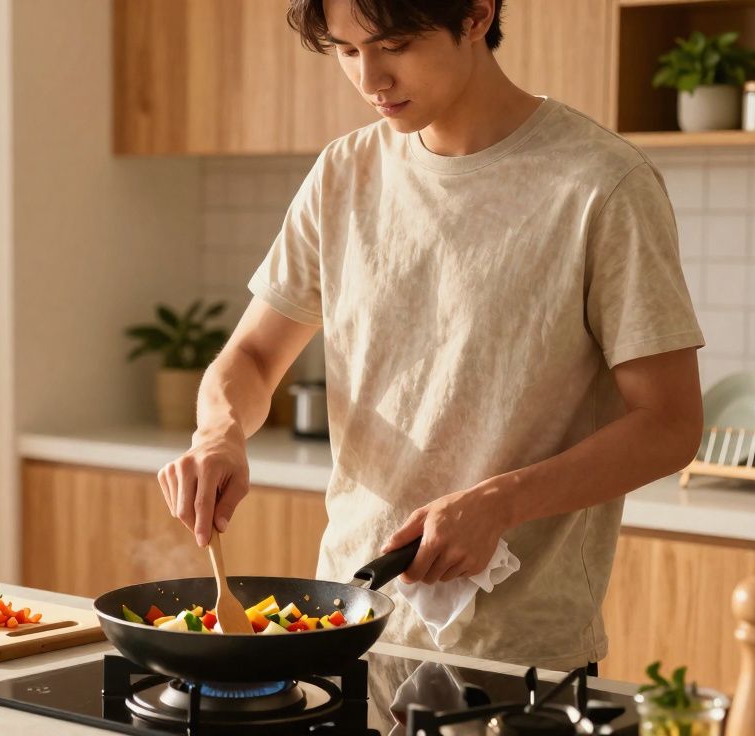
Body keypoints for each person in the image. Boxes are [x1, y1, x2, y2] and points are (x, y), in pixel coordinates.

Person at [158, 0, 704, 672]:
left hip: (515, 658)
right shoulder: (343, 174)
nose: (370, 80)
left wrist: (500, 503)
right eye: (347, 51)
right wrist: (219, 434)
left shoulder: (603, 183)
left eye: (394, 46)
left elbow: (670, 425)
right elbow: (251, 355)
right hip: (345, 629)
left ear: (475, 16)